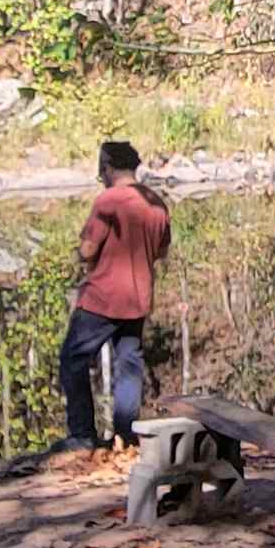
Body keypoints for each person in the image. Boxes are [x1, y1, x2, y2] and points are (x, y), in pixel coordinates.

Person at [61, 139, 171, 455]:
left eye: (102, 168)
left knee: (73, 359)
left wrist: (81, 254)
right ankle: (126, 435)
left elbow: (87, 250)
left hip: (102, 298)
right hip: (138, 299)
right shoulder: (156, 202)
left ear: (108, 167)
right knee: (129, 365)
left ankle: (82, 434)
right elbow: (161, 251)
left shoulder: (108, 202)